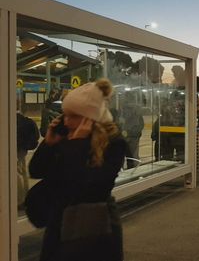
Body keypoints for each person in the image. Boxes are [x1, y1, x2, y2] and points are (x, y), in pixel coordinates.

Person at [29, 79, 126, 261]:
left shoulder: (114, 143)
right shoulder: (64, 138)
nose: (66, 121)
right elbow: (36, 170)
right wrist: (48, 144)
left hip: (93, 223)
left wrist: (78, 144)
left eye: (72, 116)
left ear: (90, 118)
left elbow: (95, 187)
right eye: (64, 115)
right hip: (60, 221)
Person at [17, 101, 40, 208]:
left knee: (17, 173)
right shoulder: (25, 121)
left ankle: (19, 199)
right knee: (22, 171)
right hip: (22, 148)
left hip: (16, 148)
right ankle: (23, 197)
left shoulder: (12, 120)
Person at [120, 92, 144, 169]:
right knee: (132, 156)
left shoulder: (124, 109)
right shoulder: (124, 109)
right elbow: (140, 124)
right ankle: (133, 171)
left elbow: (140, 124)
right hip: (131, 136)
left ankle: (130, 171)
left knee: (130, 156)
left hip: (130, 136)